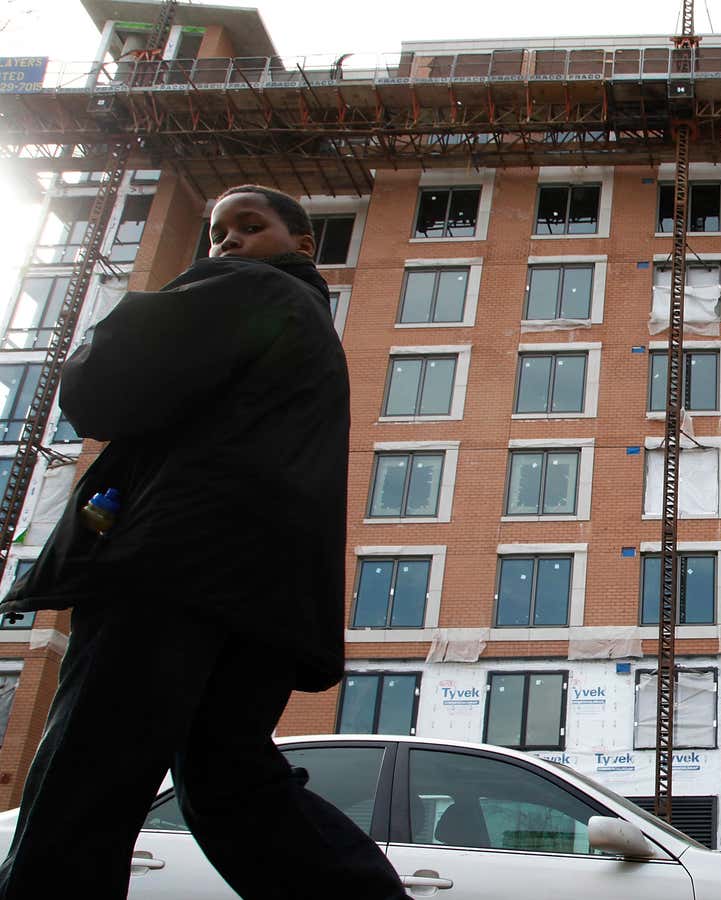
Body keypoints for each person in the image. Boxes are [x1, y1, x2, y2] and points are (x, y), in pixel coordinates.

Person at [0, 185, 406, 899]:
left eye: (249, 226)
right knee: (230, 780)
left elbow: (102, 386)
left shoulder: (245, 287)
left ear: (303, 245)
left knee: (89, 769)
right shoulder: (313, 329)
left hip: (171, 570)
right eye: (217, 233)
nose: (226, 242)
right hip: (265, 600)